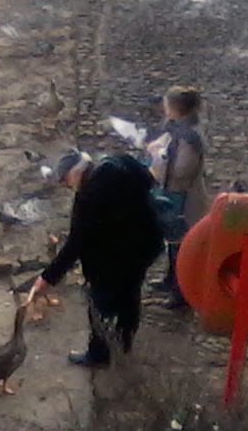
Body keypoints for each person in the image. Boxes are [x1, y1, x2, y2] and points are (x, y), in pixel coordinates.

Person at [26, 149, 163, 369]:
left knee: (99, 302)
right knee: (130, 292)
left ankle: (99, 354)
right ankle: (125, 340)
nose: (65, 185)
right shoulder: (118, 160)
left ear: (75, 173)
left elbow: (75, 244)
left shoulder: (88, 196)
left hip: (116, 256)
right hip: (146, 243)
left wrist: (47, 278)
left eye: (65, 180)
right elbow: (149, 179)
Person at [145, 86, 209, 309]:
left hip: (183, 200)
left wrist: (156, 158)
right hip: (173, 194)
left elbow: (181, 171)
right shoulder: (178, 129)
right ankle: (170, 280)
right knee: (172, 244)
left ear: (174, 109)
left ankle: (181, 293)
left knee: (181, 246)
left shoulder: (189, 137)